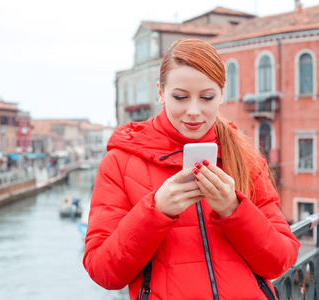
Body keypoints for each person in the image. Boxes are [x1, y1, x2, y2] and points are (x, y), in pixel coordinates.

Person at [83, 39, 300, 299]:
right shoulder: (119, 162)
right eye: (180, 97)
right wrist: (156, 212)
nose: (194, 111)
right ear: (160, 92)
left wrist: (234, 210)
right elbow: (104, 272)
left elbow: (280, 261)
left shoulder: (246, 157)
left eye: (207, 97)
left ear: (221, 94)